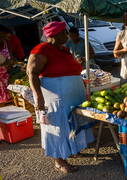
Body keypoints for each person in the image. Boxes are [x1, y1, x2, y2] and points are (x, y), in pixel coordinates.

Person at [27, 21, 94, 173]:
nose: (67, 35)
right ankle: (59, 160)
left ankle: (72, 148)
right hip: (55, 98)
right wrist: (39, 98)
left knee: (73, 124)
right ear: (54, 35)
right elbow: (32, 73)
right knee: (58, 126)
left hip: (72, 97)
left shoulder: (63, 49)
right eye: (64, 32)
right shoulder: (42, 49)